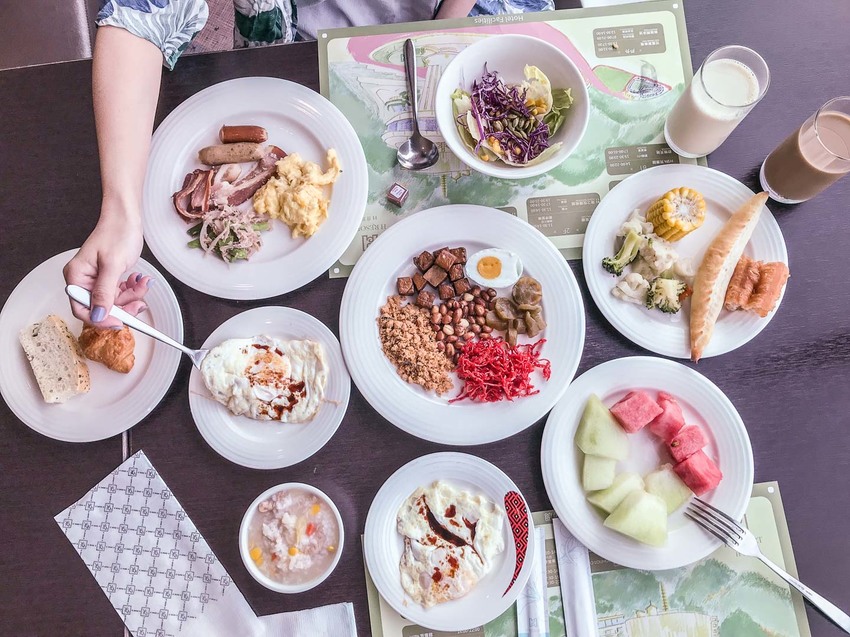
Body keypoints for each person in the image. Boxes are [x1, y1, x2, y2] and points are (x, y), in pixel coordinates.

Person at [65, 0, 554, 326]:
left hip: (464, 35)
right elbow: (138, 18)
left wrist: (439, 28)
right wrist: (121, 215)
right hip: (295, 45)